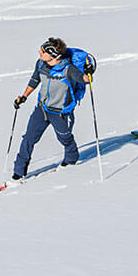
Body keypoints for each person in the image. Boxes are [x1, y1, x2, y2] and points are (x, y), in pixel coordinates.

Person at [11, 37, 88, 180]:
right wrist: (24, 96)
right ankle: (19, 172)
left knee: (65, 138)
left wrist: (89, 73)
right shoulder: (41, 64)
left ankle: (71, 159)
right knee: (28, 138)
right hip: (42, 109)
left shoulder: (69, 69)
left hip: (60, 113)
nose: (39, 52)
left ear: (53, 55)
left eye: (42, 51)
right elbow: (35, 80)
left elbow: (84, 79)